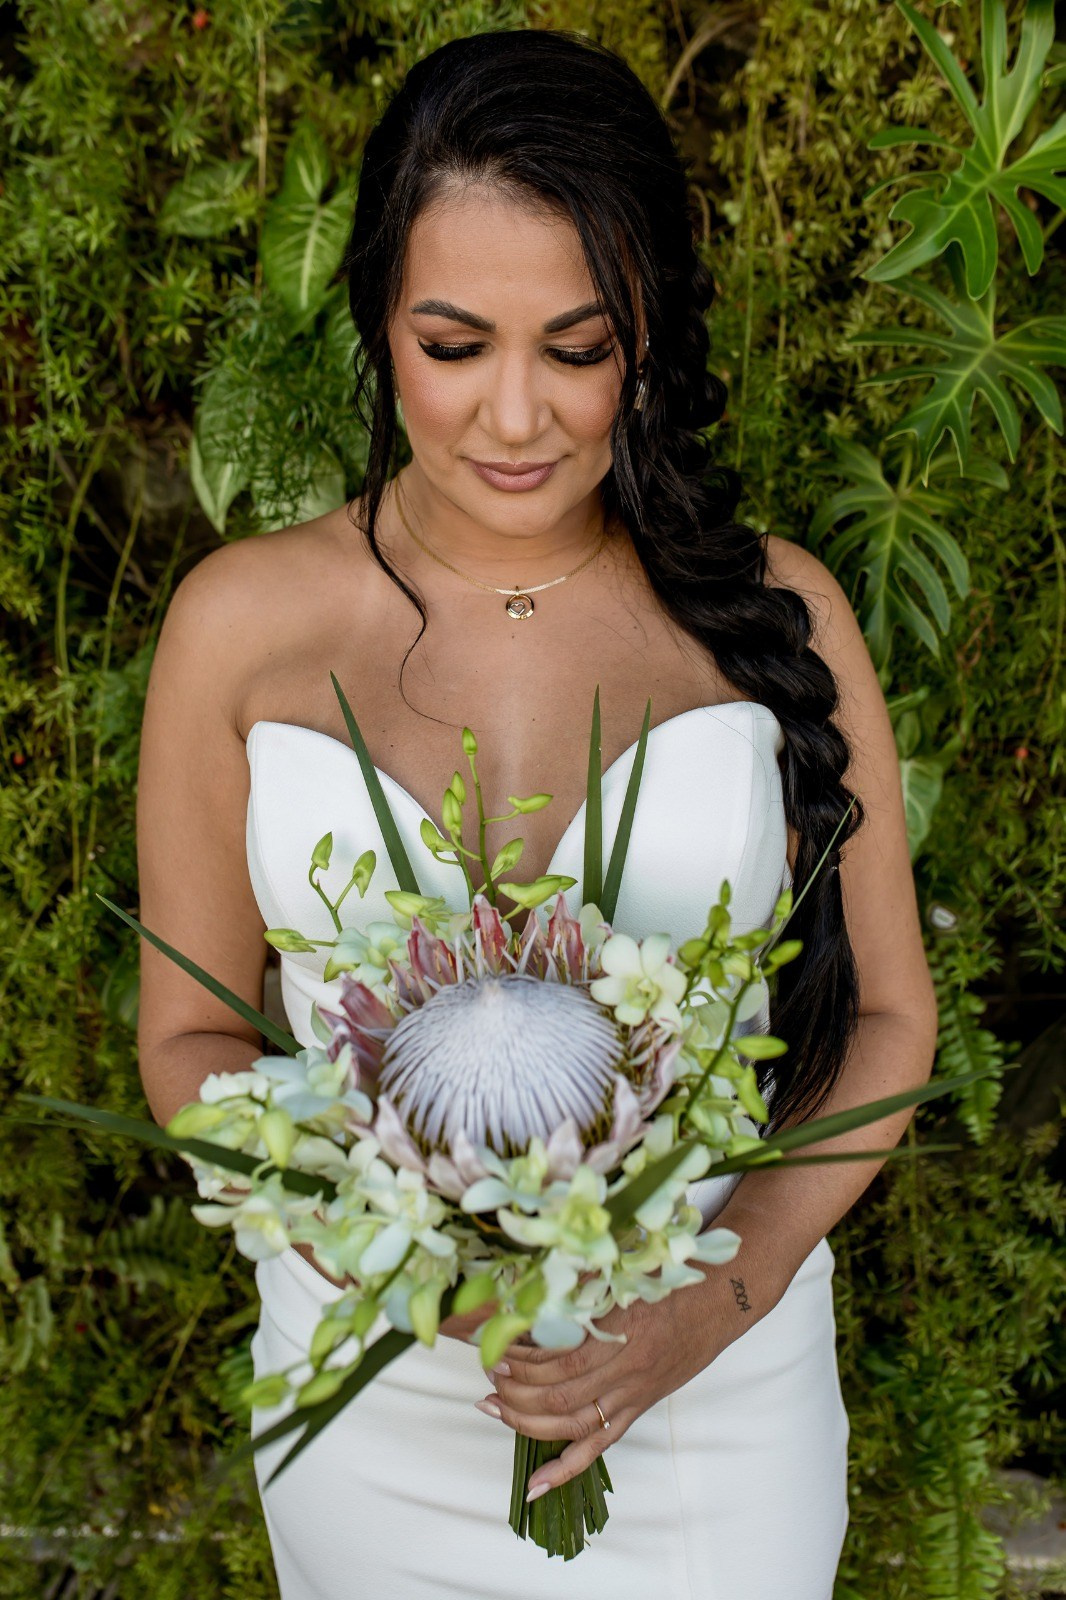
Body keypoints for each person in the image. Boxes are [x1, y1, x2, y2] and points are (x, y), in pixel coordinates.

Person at [136, 27, 938, 1599]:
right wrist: (402, 1263)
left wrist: (714, 1302)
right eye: (454, 346)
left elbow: (892, 1017)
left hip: (718, 1405)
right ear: (379, 319)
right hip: (372, 1404)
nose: (516, 418)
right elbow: (193, 1041)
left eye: (576, 349)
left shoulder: (777, 613)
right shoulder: (240, 622)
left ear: (648, 334)